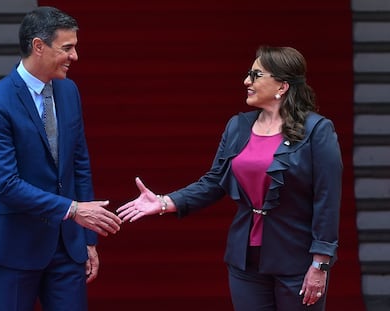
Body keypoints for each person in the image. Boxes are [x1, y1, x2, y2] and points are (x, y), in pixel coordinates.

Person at [117, 46, 342, 310]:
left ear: (282, 86)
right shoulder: (238, 126)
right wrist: (166, 202)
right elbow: (214, 182)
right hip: (244, 259)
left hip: (296, 259)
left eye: (256, 75)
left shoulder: (317, 130)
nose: (247, 81)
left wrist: (320, 263)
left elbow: (327, 198)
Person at [0, 6, 122, 311]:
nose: (75, 57)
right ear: (38, 46)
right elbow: (6, 184)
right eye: (67, 48)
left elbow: (79, 163)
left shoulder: (69, 92)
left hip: (66, 246)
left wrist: (88, 238)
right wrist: (72, 209)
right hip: (13, 246)